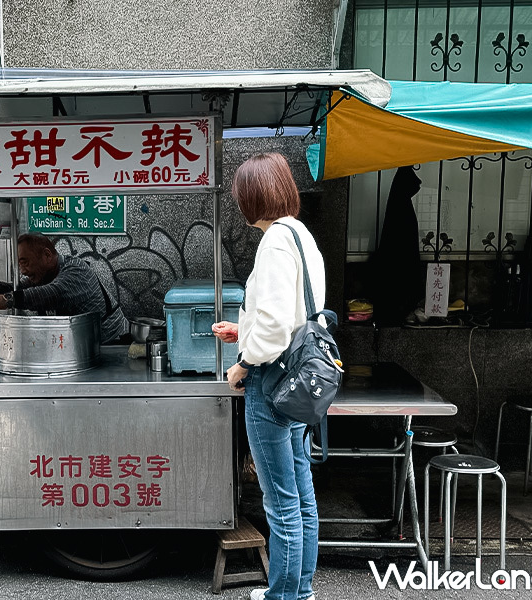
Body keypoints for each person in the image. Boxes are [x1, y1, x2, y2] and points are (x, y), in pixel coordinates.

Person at [212, 153, 325, 600]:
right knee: (301, 497)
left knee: (280, 503)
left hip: (271, 384)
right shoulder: (300, 235)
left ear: (251, 197)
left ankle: (284, 596)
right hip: (296, 379)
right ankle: (301, 590)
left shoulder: (275, 240)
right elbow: (293, 316)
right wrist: (245, 331)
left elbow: (278, 324)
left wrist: (244, 362)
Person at [0, 233, 127, 344]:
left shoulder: (76, 271)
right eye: (20, 264)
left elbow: (50, 294)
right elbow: (15, 289)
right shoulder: (44, 275)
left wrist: (7, 300)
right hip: (83, 345)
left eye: (25, 262)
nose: (23, 270)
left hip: (112, 345)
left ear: (47, 255)